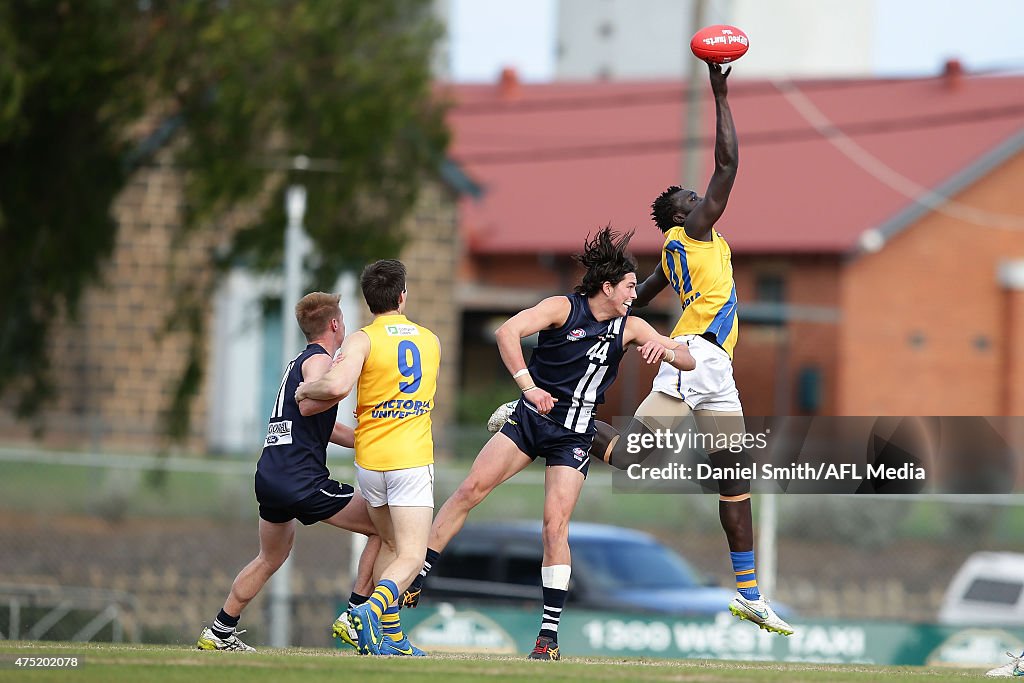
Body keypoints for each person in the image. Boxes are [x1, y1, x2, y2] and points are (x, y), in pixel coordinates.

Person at [482, 62, 793, 637]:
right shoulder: (693, 233)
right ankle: (530, 416)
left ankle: (749, 594)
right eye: (691, 198)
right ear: (683, 216)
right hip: (696, 358)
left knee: (731, 478)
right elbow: (729, 164)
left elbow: (632, 300)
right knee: (643, 460)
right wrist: (720, 89)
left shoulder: (678, 253)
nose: (702, 196)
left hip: (710, 364)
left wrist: (611, 328)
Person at [402, 227, 696, 661]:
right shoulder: (563, 308)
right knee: (468, 492)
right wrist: (526, 387)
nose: (636, 295)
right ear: (607, 286)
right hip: (531, 420)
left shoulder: (631, 327)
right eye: (630, 287)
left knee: (554, 527)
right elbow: (507, 333)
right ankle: (417, 579)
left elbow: (687, 359)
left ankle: (548, 638)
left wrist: (666, 353)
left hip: (574, 436)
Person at [197, 292, 381, 652]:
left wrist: (367, 438)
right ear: (334, 324)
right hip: (300, 480)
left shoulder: (298, 360)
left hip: (270, 475)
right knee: (383, 525)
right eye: (343, 319)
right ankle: (355, 616)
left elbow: (318, 424)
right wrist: (336, 389)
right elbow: (311, 402)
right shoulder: (320, 362)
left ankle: (219, 632)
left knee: (270, 557)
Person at [295, 259, 438, 657]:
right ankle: (369, 611)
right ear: (402, 294)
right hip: (410, 457)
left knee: (390, 543)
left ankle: (391, 638)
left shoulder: (361, 339)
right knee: (412, 554)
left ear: (367, 299)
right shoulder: (429, 339)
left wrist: (307, 391)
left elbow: (337, 385)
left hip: (371, 461)